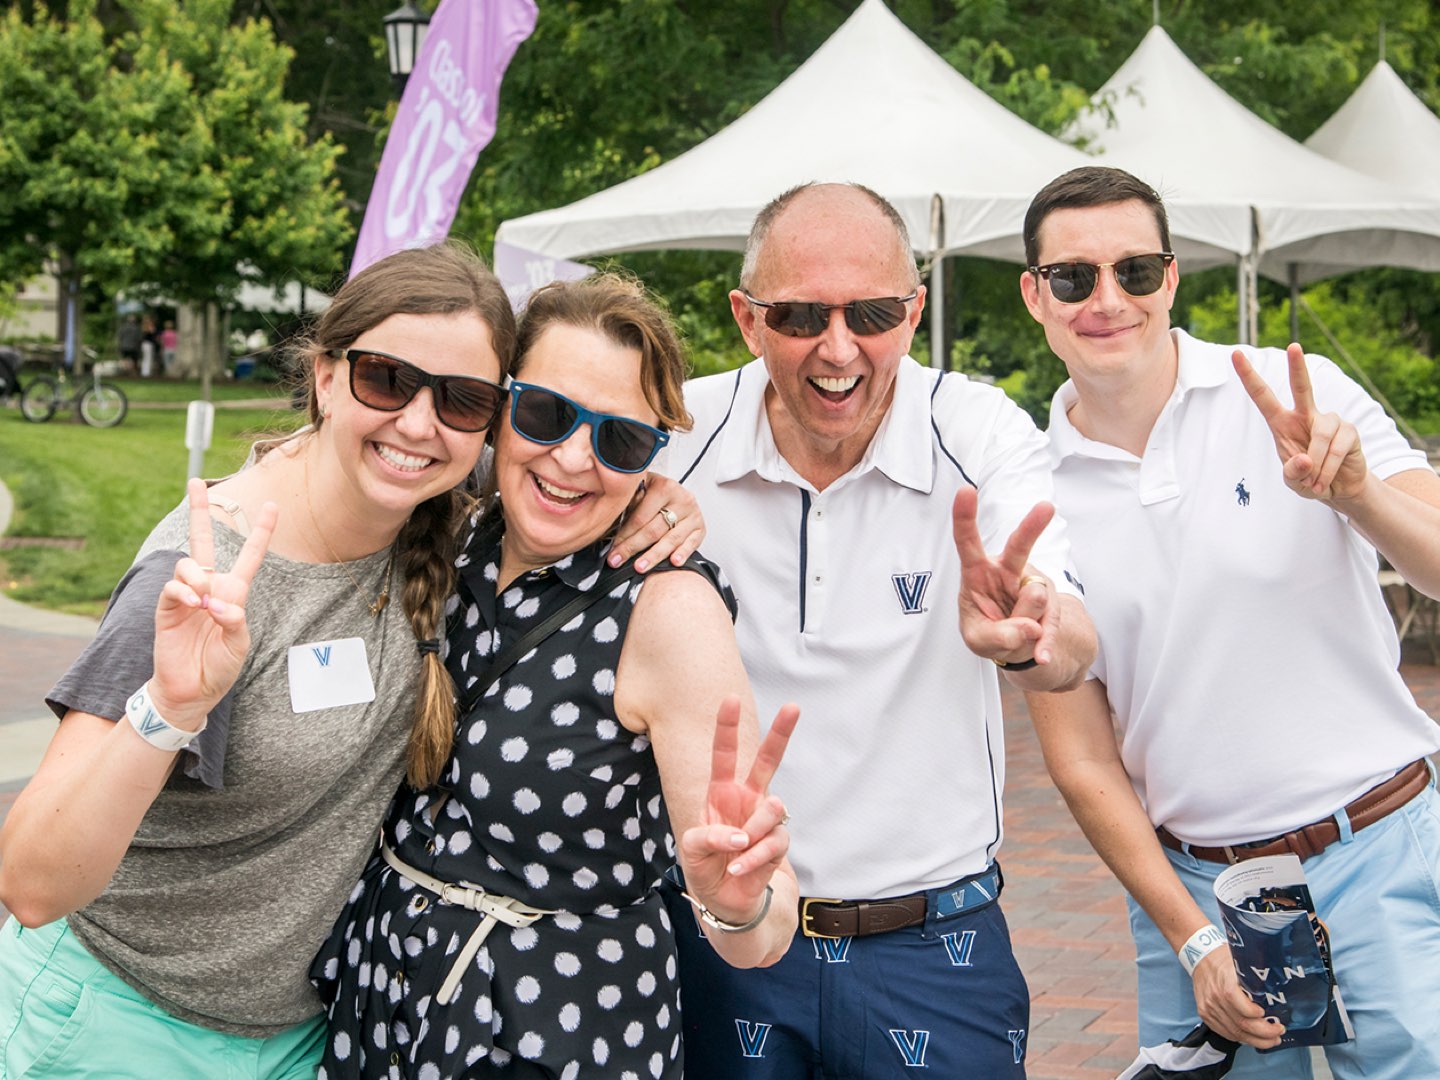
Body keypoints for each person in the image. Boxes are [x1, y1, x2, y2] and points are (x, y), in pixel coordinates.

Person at [0, 243, 703, 1078]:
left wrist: (653, 491)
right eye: (386, 379)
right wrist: (170, 707)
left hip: (306, 1037)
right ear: (326, 376)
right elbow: (32, 882)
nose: (417, 423)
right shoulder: (210, 576)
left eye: (463, 399)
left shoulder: (443, 506)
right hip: (122, 1024)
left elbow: (569, 464)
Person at [657, 182, 1098, 1078]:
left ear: (914, 312)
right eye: (798, 315)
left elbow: (1069, 629)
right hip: (724, 932)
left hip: (936, 944)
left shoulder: (971, 428)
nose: (838, 346)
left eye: (872, 312)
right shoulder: (676, 438)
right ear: (747, 320)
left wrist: (1035, 627)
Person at [311, 272, 800, 1079]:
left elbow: (763, 916)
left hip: (555, 1035)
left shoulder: (669, 613)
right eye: (546, 413)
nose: (574, 458)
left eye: (620, 441)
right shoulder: (447, 528)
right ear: (500, 407)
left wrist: (737, 905)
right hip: (384, 1004)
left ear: (649, 458)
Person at [1018, 165, 1440, 1080]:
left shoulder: (1296, 393)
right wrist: (1192, 936)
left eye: (1134, 271)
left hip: (1378, 843)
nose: (1107, 299)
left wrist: (1359, 494)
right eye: (1073, 277)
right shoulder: (1030, 483)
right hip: (1201, 887)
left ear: (1170, 279)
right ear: (1034, 296)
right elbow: (1083, 760)